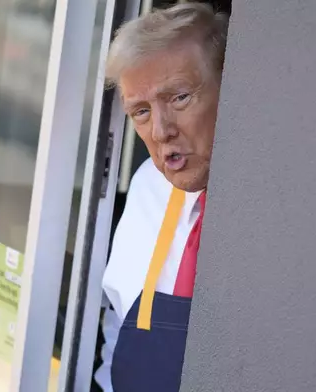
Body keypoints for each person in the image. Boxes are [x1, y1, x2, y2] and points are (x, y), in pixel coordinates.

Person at [94, 3, 228, 392]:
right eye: (140, 112)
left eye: (180, 97)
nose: (160, 130)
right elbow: (119, 328)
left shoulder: (269, 199)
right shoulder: (147, 186)